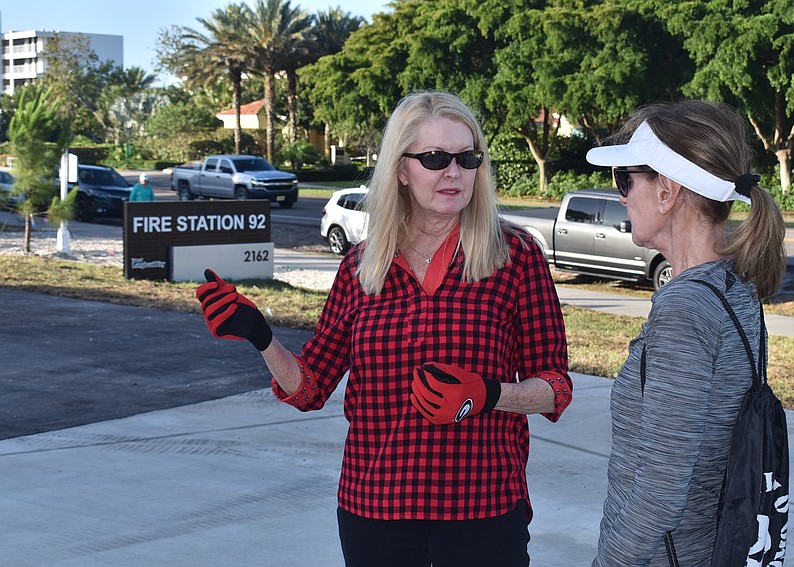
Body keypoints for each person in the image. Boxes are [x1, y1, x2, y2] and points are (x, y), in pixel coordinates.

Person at [195, 90, 572, 566]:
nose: (453, 172)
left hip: (483, 507)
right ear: (401, 170)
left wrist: (489, 394)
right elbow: (310, 387)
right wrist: (260, 335)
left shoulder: (514, 256)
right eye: (435, 158)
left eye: (467, 157)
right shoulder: (361, 267)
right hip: (375, 510)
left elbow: (556, 388)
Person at [585, 100, 786, 566]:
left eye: (625, 180)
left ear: (667, 191)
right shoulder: (733, 286)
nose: (621, 196)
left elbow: (658, 492)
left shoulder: (686, 308)